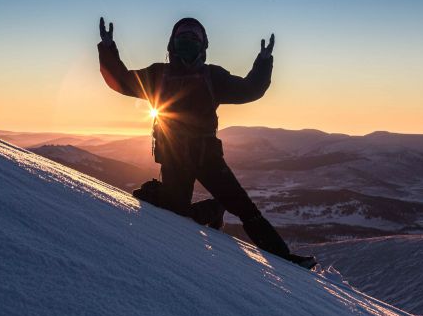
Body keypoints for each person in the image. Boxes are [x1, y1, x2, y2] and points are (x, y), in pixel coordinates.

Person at [97, 17, 316, 269]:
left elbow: (249, 89)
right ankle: (212, 209)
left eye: (193, 39)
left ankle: (283, 257)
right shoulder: (159, 74)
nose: (187, 43)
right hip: (175, 159)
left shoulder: (212, 76)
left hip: (207, 158)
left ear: (202, 45)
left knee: (245, 209)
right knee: (174, 213)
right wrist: (108, 47)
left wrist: (263, 62)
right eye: (182, 38)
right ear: (172, 44)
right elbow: (121, 81)